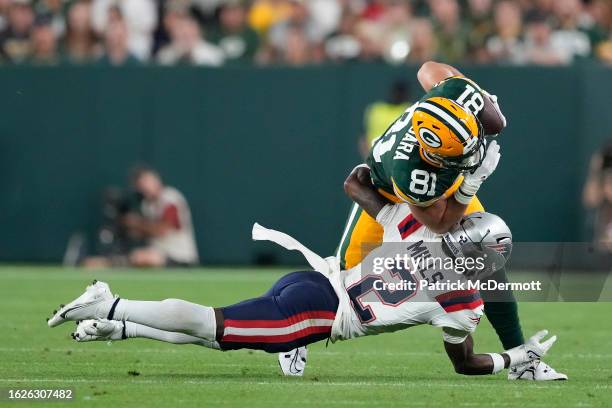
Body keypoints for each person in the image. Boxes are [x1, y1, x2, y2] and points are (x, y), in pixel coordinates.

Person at [47, 191, 559, 379]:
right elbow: (465, 364)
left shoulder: (414, 229)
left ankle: (122, 328)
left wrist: (408, 178)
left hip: (312, 281)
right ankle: (112, 303)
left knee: (216, 334)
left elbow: (358, 183)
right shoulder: (463, 302)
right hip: (318, 314)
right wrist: (519, 355)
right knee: (215, 324)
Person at [334, 60, 565, 380]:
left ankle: (523, 361)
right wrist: (470, 184)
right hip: (390, 195)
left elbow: (428, 68)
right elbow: (438, 224)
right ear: (433, 153)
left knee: (489, 261)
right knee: (342, 278)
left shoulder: (460, 95)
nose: (473, 156)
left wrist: (468, 86)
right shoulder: (410, 171)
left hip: (443, 180)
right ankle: (296, 335)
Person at [359, 81, 411, 158]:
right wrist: (369, 160)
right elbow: (363, 138)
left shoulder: (408, 109)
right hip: (375, 159)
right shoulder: (375, 109)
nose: (397, 95)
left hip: (393, 161)